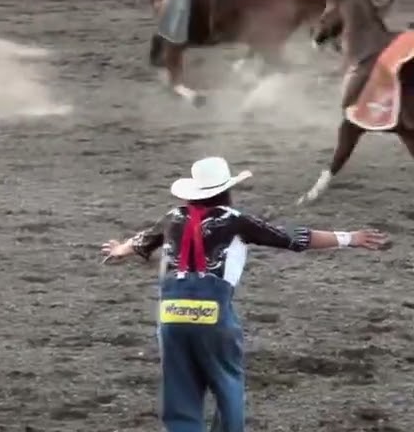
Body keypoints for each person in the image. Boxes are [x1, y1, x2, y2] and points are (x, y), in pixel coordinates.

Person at [101, 156, 388, 432]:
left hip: (171, 314)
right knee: (226, 382)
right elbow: (294, 237)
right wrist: (349, 238)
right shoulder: (235, 220)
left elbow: (141, 242)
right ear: (226, 190)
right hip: (212, 313)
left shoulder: (173, 218)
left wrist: (118, 249)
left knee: (180, 387)